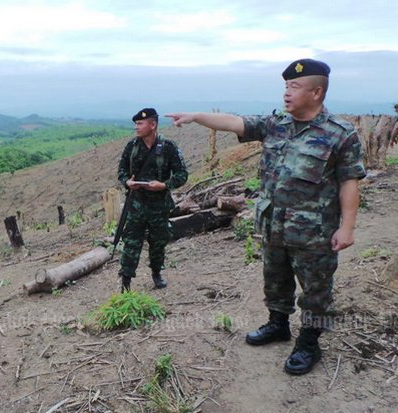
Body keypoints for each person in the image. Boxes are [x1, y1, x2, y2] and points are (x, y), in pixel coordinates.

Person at [166, 59, 366, 375]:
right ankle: (278, 325)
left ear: (316, 92)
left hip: (314, 232)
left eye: (295, 87)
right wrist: (196, 117)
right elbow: (234, 122)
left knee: (316, 290)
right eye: (286, 86)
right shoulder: (276, 124)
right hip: (273, 225)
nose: (287, 93)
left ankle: (309, 342)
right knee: (275, 280)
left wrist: (348, 228)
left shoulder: (339, 134)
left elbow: (349, 182)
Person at [117, 108, 189, 292]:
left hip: (159, 205)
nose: (136, 127)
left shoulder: (168, 147)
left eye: (140, 123)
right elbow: (122, 171)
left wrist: (164, 185)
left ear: (153, 125)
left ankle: (156, 274)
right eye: (136, 123)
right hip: (136, 203)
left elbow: (182, 174)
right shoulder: (132, 147)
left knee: (158, 242)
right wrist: (128, 182)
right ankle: (125, 282)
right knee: (131, 242)